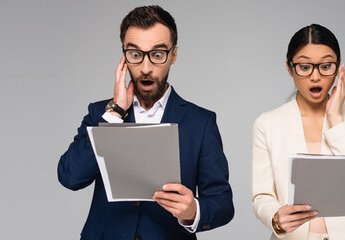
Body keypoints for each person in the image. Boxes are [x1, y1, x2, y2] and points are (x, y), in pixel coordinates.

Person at [58, 5, 234, 239]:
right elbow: (70, 177)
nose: (146, 68)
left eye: (158, 54)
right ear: (124, 56)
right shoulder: (101, 113)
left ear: (173, 55)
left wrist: (193, 211)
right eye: (135, 54)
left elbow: (223, 203)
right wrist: (115, 113)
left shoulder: (201, 122)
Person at [251, 24, 345, 240]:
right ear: (289, 67)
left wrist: (336, 120)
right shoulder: (267, 124)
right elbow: (262, 195)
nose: (315, 76)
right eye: (304, 67)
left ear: (339, 68)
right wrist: (276, 219)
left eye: (326, 66)